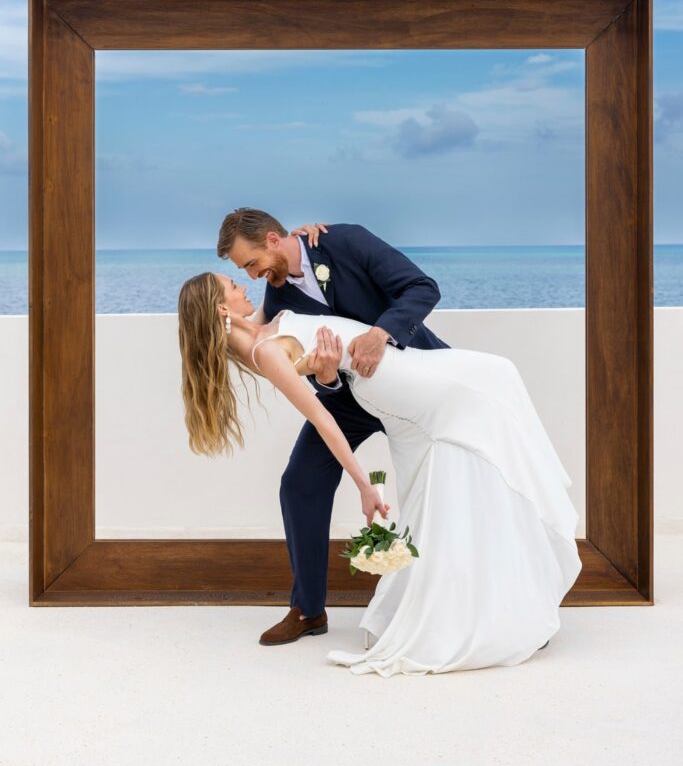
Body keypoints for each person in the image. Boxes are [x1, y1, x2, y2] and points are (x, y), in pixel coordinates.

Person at [176, 214, 583, 676]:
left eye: (252, 263)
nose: (252, 277)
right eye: (241, 274)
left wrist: (379, 333)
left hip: (408, 378)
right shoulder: (271, 299)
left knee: (463, 479)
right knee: (300, 484)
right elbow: (292, 361)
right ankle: (309, 610)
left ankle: (512, 604)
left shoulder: (342, 241)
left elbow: (421, 288)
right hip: (347, 398)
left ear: (274, 238)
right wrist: (327, 378)